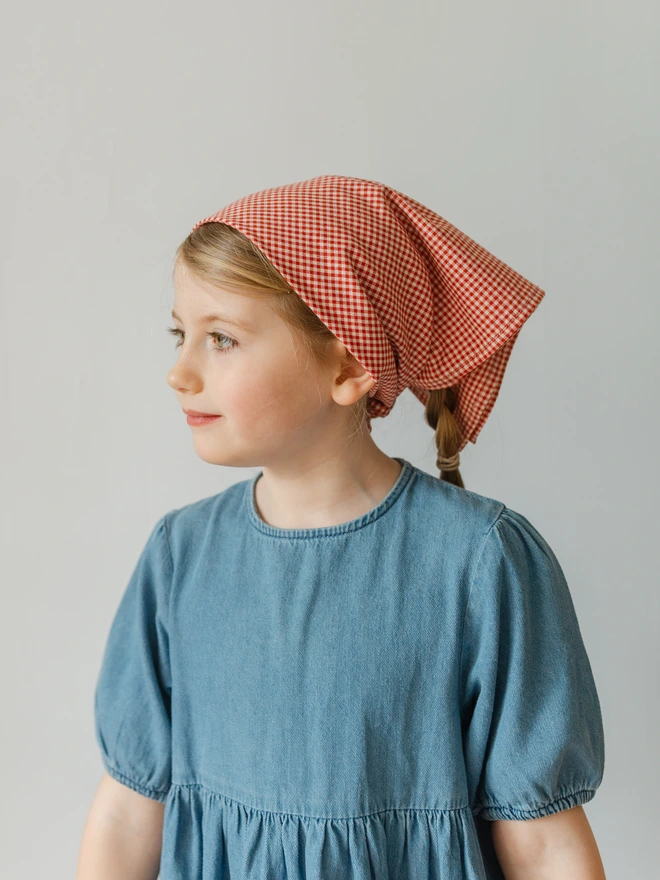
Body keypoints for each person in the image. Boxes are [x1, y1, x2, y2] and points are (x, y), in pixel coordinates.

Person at [76, 175, 606, 880]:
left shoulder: (479, 563)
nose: (180, 371)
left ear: (349, 361)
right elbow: (127, 811)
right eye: (182, 334)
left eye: (223, 339)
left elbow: (541, 840)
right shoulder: (181, 557)